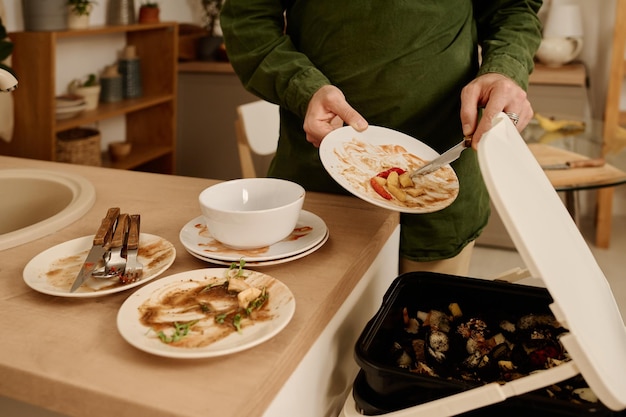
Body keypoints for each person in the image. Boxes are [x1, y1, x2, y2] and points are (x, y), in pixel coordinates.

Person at [220, 1, 543, 275]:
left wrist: (505, 69)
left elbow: (512, 9)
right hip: (320, 168)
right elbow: (248, 20)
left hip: (443, 174)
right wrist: (301, 87)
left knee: (423, 332)